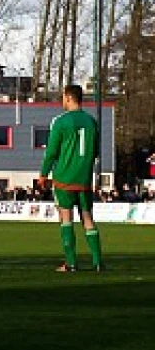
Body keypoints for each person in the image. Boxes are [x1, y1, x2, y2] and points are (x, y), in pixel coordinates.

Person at [41, 84, 103, 272]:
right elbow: (96, 152)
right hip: (84, 179)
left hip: (64, 178)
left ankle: (71, 263)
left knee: (66, 218)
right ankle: (98, 262)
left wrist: (43, 174)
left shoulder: (60, 122)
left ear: (68, 97)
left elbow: (51, 152)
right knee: (87, 218)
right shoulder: (92, 122)